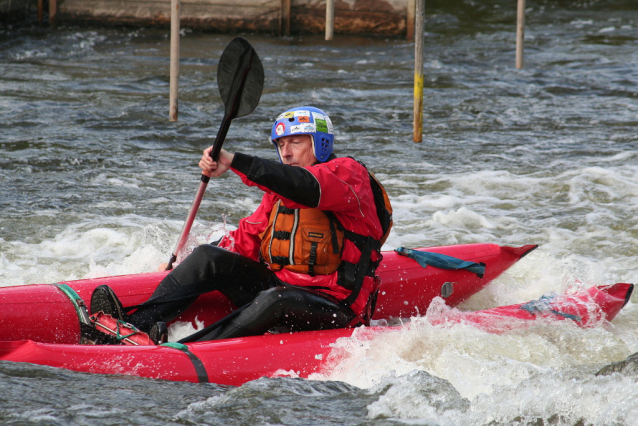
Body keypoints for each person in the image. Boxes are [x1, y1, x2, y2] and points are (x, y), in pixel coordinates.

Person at [90, 106, 391, 344]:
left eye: (296, 142)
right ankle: (132, 327)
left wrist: (234, 161)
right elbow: (246, 240)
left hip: (336, 307)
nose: (286, 152)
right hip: (284, 287)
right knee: (210, 256)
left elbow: (307, 186)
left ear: (321, 145)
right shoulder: (280, 193)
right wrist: (182, 266)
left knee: (275, 299)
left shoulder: (349, 176)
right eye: (281, 144)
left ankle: (188, 349)